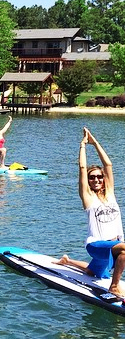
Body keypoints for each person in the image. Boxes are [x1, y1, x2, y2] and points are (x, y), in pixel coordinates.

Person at [55, 127, 125, 298]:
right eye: (92, 177)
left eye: (99, 177)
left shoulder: (110, 194)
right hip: (96, 245)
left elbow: (108, 164)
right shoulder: (87, 197)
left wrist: (95, 143)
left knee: (92, 272)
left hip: (113, 245)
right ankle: (114, 286)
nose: (96, 179)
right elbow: (82, 167)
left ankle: (67, 261)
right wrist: (83, 145)